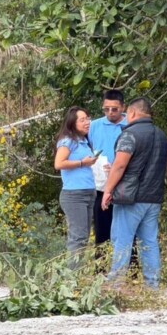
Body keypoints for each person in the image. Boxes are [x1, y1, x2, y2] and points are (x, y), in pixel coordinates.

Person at [101, 97, 167, 289]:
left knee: (121, 240)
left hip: (130, 198)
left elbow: (120, 164)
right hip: (153, 197)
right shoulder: (162, 135)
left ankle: (116, 285)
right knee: (149, 242)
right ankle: (152, 286)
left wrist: (108, 190)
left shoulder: (129, 134)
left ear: (131, 113)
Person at [89, 89, 138, 269]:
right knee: (102, 232)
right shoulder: (94, 126)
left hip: (126, 186)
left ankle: (131, 273)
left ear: (123, 108)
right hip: (102, 185)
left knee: (128, 232)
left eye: (114, 109)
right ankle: (100, 272)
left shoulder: (131, 124)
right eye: (106, 109)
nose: (110, 113)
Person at [54, 107, 98, 270]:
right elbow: (59, 164)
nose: (87, 122)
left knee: (84, 237)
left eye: (88, 118)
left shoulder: (84, 141)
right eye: (82, 119)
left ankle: (76, 275)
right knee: (78, 237)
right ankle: (71, 279)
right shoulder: (67, 141)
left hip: (88, 192)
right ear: (72, 122)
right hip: (74, 194)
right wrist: (82, 163)